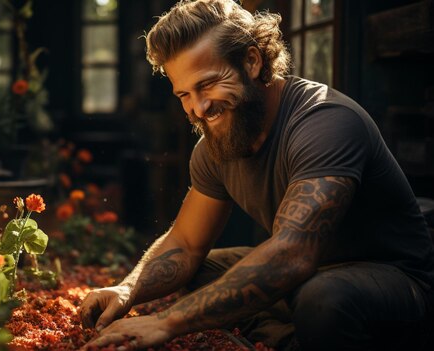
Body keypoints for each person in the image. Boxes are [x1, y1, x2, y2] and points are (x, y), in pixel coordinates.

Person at [79, 0, 434, 350]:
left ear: (252, 61)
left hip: (397, 281)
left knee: (325, 300)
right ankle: (291, 337)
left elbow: (292, 254)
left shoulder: (326, 121)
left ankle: (296, 332)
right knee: (199, 275)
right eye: (184, 94)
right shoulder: (216, 144)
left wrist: (164, 322)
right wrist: (126, 290)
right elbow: (185, 244)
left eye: (208, 85)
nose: (199, 108)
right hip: (307, 276)